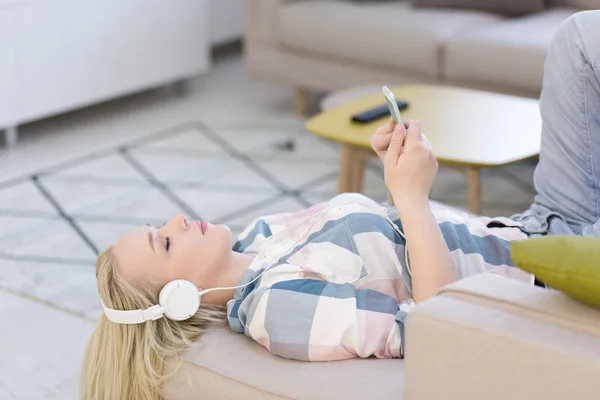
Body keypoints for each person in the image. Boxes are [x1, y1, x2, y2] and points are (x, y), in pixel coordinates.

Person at [81, 11, 600, 400]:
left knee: (579, 37)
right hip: (546, 274)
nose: (175, 219)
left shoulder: (261, 237)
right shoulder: (279, 308)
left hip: (538, 225)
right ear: (179, 299)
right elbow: (441, 325)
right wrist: (410, 196)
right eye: (165, 241)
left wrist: (398, 174)